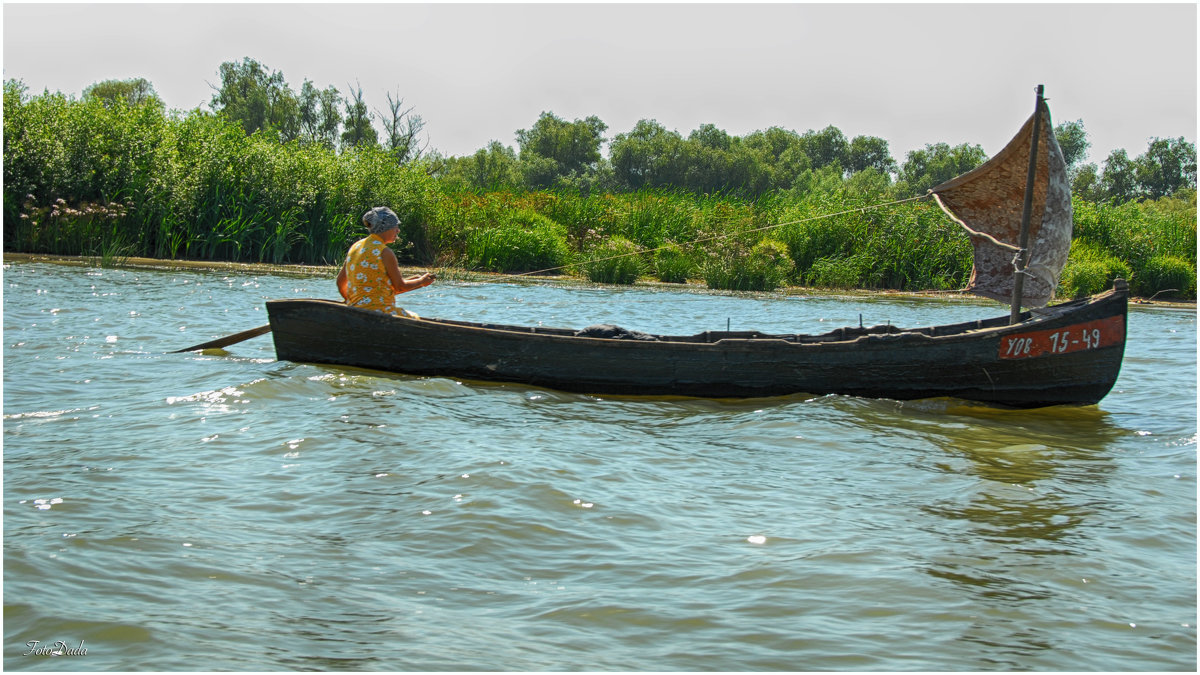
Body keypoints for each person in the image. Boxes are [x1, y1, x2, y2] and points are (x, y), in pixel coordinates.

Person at [336, 206, 435, 318]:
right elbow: (400, 286)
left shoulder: (355, 247)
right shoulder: (385, 252)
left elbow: (340, 282)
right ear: (385, 228)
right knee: (415, 318)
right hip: (381, 313)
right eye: (395, 226)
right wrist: (421, 281)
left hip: (355, 310)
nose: (398, 230)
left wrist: (350, 302)